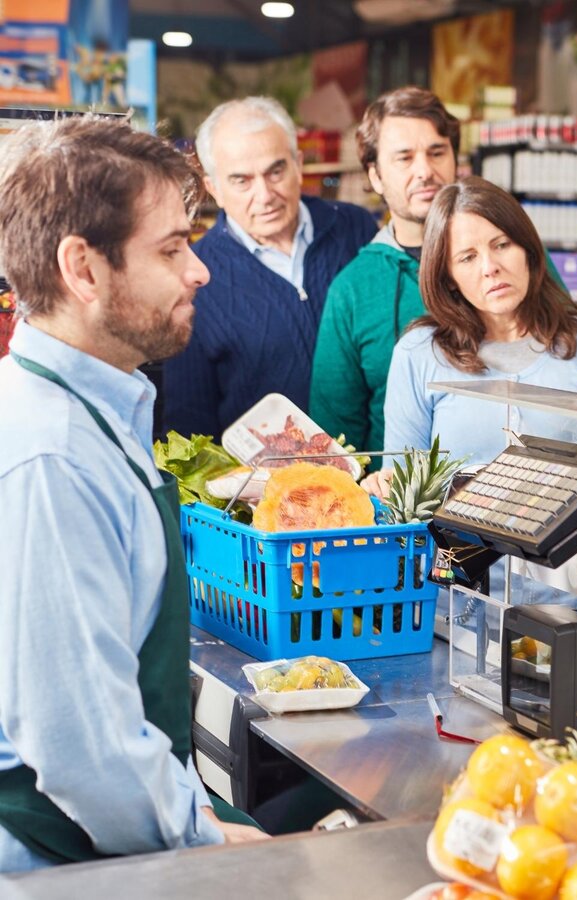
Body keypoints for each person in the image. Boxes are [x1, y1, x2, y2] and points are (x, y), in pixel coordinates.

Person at [0, 116, 268, 873]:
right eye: (173, 248)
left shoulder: (94, 407)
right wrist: (206, 837)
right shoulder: (49, 457)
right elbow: (78, 741)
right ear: (83, 269)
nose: (200, 271)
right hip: (59, 853)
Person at [380, 176, 577, 469]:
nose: (490, 268)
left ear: (528, 250)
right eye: (468, 257)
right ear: (447, 277)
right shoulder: (418, 353)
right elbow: (401, 483)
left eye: (501, 245)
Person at [163, 96, 377, 438]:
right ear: (213, 189)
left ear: (298, 164)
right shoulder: (193, 279)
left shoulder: (358, 230)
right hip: (264, 487)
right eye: (241, 181)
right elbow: (190, 429)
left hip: (377, 473)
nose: (264, 195)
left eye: (275, 171)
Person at [309, 87, 460, 467]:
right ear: (375, 176)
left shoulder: (509, 255)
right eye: (404, 158)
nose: (425, 170)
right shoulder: (353, 289)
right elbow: (335, 439)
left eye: (437, 152)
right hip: (397, 517)